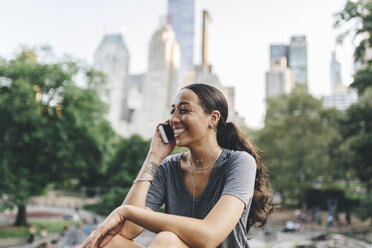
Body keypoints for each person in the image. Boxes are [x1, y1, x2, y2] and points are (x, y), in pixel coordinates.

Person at [80, 83, 274, 248]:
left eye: (184, 110)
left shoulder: (239, 162)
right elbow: (128, 229)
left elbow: (210, 235)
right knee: (108, 241)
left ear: (213, 118)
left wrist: (125, 211)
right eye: (173, 110)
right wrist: (154, 156)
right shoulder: (169, 166)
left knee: (167, 241)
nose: (173, 119)